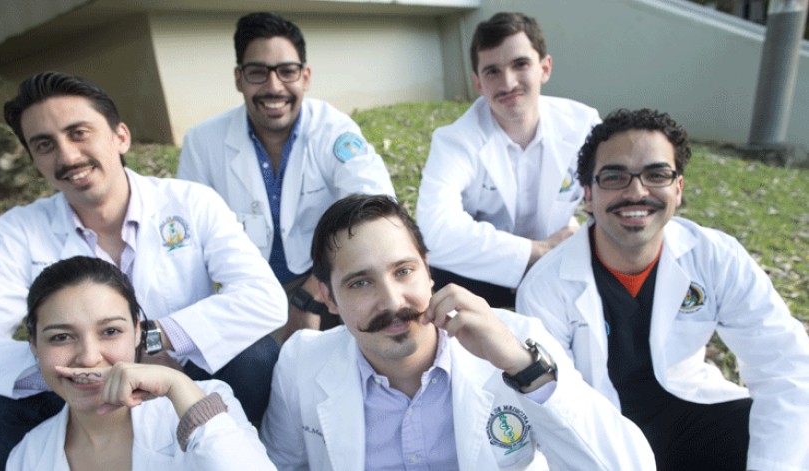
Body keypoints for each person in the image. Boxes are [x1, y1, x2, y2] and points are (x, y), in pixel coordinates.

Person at [0, 72, 287, 470]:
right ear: (34, 160)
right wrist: (75, 364)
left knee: (256, 356)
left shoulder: (190, 202)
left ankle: (231, 449)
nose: (67, 156)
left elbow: (265, 298)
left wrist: (152, 339)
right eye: (45, 145)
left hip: (182, 370)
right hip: (78, 396)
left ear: (120, 136)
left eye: (79, 133)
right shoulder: (18, 231)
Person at [261, 194, 654, 470]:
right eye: (360, 283)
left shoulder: (517, 340)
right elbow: (281, 466)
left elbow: (627, 466)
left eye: (403, 271)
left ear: (428, 270)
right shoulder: (301, 364)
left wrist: (524, 368)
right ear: (328, 298)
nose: (392, 301)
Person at [516, 108, 809, 471]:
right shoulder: (545, 287)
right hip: (606, 441)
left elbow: (785, 366)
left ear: (678, 189)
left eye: (656, 175)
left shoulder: (716, 257)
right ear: (588, 195)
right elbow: (559, 411)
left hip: (699, 423)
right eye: (614, 177)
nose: (636, 191)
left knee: (786, 433)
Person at [178, 12, 395, 336]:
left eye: (287, 71)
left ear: (305, 77)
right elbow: (188, 240)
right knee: (258, 362)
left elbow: (376, 208)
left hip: (324, 277)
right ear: (239, 78)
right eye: (257, 73)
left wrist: (310, 296)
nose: (274, 87)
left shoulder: (334, 130)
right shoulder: (202, 142)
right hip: (246, 290)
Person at [6, 256, 276, 470]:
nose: (89, 357)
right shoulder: (27, 458)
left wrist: (177, 384)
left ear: (137, 331)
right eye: (61, 337)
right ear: (34, 344)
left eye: (110, 331)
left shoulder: (205, 401)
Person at [416, 12, 600, 307]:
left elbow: (615, 195)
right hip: (479, 275)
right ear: (478, 83)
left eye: (520, 64)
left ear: (544, 68)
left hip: (559, 259)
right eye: (492, 71)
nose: (508, 83)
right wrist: (536, 251)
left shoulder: (582, 126)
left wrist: (577, 240)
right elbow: (434, 231)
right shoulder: (455, 141)